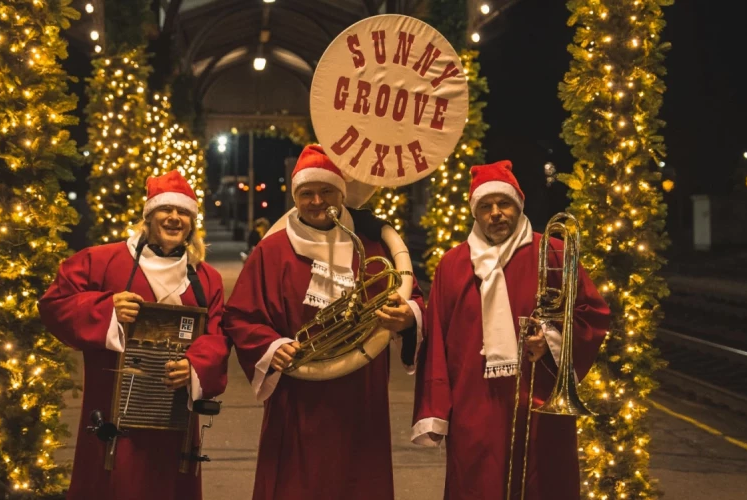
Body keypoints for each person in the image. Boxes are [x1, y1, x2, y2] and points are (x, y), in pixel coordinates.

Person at [222, 144, 425, 500]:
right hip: (297, 395)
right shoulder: (272, 250)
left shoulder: (373, 245)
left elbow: (413, 298)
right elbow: (240, 315)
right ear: (295, 197)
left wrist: (408, 317)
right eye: (307, 193)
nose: (317, 201)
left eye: (326, 191)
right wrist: (271, 346)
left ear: (341, 193)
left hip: (361, 390)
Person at [411, 160, 611, 499]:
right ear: (475, 213)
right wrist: (436, 409)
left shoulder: (554, 252)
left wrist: (549, 339)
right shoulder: (453, 264)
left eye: (504, 203)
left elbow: (592, 314)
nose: (496, 213)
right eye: (485, 206)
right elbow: (437, 346)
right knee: (476, 485)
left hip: (539, 400)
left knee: (542, 484)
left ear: (518, 204)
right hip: (473, 407)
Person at [38, 170, 229, 500]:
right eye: (165, 210)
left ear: (193, 222)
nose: (174, 218)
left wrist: (196, 366)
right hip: (113, 414)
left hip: (174, 418)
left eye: (183, 212)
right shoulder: (102, 261)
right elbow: (54, 303)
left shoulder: (207, 279)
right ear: (149, 216)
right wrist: (106, 308)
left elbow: (218, 335)